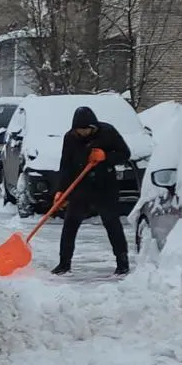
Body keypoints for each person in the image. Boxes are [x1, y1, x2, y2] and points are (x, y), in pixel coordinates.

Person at [51, 105, 131, 276]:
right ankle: (64, 263)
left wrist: (106, 157)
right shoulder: (70, 138)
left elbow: (125, 153)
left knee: (112, 223)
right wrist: (60, 190)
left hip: (105, 186)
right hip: (80, 187)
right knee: (70, 224)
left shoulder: (108, 132)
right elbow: (65, 165)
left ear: (93, 127)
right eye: (79, 130)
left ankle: (122, 262)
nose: (82, 133)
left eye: (85, 130)